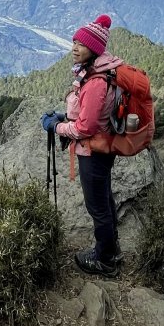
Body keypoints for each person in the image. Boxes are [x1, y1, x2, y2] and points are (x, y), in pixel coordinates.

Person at [41, 14, 122, 277]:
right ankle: (112, 249)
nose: (74, 47)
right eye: (74, 41)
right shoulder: (96, 72)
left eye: (81, 44)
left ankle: (105, 260)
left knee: (97, 206)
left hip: (93, 150)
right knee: (104, 199)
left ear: (95, 49)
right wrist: (65, 116)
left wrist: (57, 127)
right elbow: (90, 115)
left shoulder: (96, 82)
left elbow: (85, 128)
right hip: (100, 147)